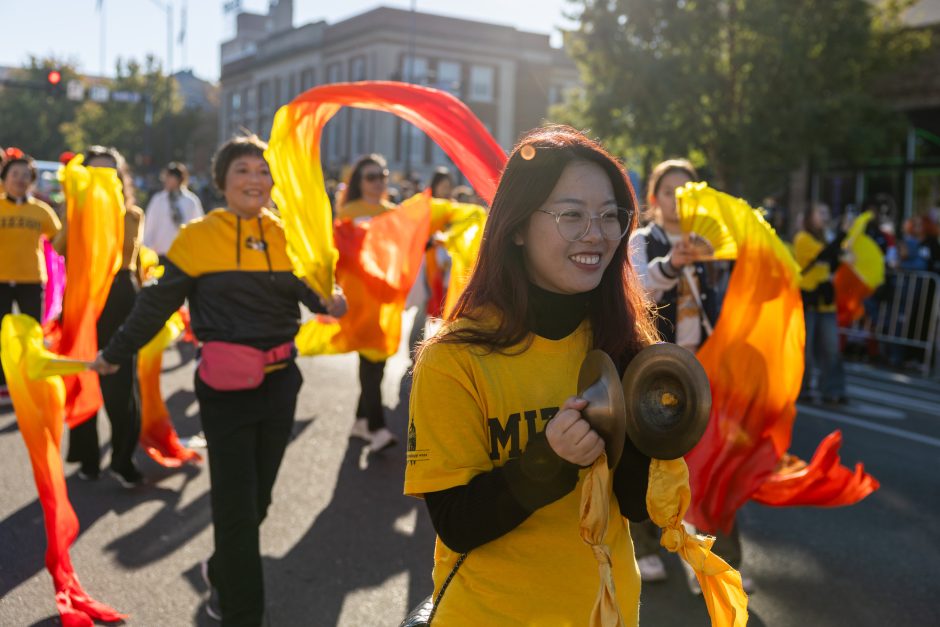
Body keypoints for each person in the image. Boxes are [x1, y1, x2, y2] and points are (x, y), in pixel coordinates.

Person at [89, 134, 347, 625]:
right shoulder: (198, 237)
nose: (255, 179)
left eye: (262, 170)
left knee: (259, 501)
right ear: (222, 183)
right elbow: (155, 305)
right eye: (242, 170)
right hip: (225, 390)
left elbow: (315, 296)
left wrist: (334, 301)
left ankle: (221, 571)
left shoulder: (287, 234)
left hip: (281, 383)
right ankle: (239, 611)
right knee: (236, 510)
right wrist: (114, 353)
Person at [405, 126, 656, 625]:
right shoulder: (453, 358)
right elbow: (456, 524)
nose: (597, 233)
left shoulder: (626, 342)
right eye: (571, 215)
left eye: (611, 216)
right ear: (517, 226)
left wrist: (657, 419)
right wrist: (550, 459)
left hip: (608, 611)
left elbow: (636, 504)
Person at [626, 159, 723, 586]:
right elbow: (638, 290)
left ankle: (695, 543)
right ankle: (644, 545)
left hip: (698, 364)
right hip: (655, 363)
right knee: (648, 453)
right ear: (653, 199)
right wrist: (672, 262)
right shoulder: (643, 241)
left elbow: (713, 306)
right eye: (669, 192)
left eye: (687, 193)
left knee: (695, 456)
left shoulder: (705, 245)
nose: (677, 201)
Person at [63, 146, 147, 485]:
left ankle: (123, 458)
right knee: (82, 371)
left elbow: (133, 259)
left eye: (109, 173)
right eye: (94, 173)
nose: (102, 180)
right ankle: (87, 458)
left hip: (120, 295)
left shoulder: (132, 215)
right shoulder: (75, 212)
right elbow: (56, 247)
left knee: (121, 382)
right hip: (83, 297)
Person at [336, 154, 399, 451]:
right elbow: (340, 252)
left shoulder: (394, 213)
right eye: (371, 177)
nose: (378, 182)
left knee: (380, 360)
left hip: (385, 296)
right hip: (359, 296)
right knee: (369, 360)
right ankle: (377, 427)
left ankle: (361, 421)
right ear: (359, 182)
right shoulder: (348, 212)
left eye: (382, 175)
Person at [0, 148, 62, 407]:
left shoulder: (42, 211)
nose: (20, 179)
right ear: (5, 178)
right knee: (1, 332)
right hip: (1, 278)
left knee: (32, 333)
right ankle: (3, 382)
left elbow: (59, 241)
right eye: (15, 174)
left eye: (26, 175)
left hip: (32, 278)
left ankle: (29, 377)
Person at [794, 202, 847, 404]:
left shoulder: (828, 237)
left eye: (826, 212)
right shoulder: (803, 238)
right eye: (821, 212)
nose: (825, 216)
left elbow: (834, 260)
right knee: (805, 349)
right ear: (810, 216)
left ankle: (833, 389)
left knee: (831, 348)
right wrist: (842, 234)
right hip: (808, 300)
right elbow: (823, 254)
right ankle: (802, 388)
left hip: (825, 301)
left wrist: (841, 240)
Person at [143, 161, 205, 259]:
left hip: (183, 255)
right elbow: (150, 226)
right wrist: (146, 250)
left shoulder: (191, 201)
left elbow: (198, 228)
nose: (166, 180)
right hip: (160, 254)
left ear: (179, 179)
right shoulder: (158, 200)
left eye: (169, 177)